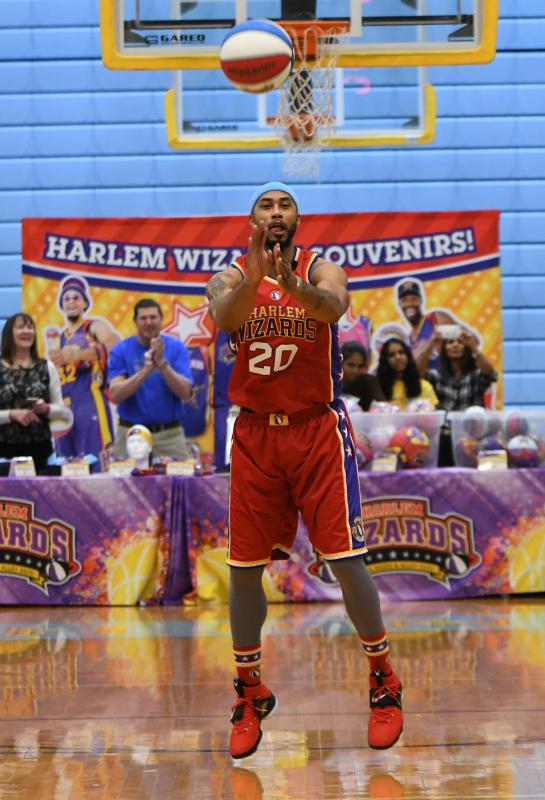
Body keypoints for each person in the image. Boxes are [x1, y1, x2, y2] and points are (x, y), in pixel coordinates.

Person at [205, 182, 403, 759]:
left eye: (284, 205)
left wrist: (292, 284)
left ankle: (383, 679)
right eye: (265, 206)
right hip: (255, 435)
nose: (275, 213)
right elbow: (225, 317)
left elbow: (334, 306)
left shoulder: (323, 268)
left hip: (317, 430)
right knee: (243, 571)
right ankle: (249, 689)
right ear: (251, 221)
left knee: (346, 562)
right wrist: (262, 276)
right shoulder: (230, 275)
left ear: (297, 219)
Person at [108, 299, 194, 459]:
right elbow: (115, 394)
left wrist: (161, 364)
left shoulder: (177, 348)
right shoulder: (120, 350)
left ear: (161, 319)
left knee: (180, 483)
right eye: (143, 318)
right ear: (135, 321)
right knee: (124, 484)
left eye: (153, 317)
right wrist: (146, 370)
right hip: (131, 435)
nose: (149, 322)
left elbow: (186, 393)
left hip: (169, 436)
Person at [49, 275, 119, 460]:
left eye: (76, 297)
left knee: (94, 461)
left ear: (84, 303)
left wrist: (80, 355)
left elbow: (114, 343)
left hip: (89, 401)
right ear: (62, 304)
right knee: (65, 463)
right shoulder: (58, 337)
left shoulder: (92, 326)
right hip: (63, 404)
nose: (71, 302)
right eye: (67, 298)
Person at [419, 328, 497, 465]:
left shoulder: (475, 375)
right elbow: (418, 376)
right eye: (450, 342)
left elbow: (491, 374)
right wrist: (431, 345)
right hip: (444, 438)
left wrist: (473, 346)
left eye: (460, 342)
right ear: (444, 348)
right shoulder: (436, 375)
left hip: (472, 437)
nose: (455, 345)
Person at [0, 313, 66, 472]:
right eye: (21, 327)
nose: (27, 331)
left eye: (30, 327)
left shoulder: (47, 367)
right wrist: (12, 414)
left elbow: (61, 409)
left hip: (40, 450)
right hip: (3, 451)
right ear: (9, 333)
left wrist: (46, 409)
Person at [395, 277, 477, 368]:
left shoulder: (435, 318)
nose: (409, 304)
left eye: (414, 299)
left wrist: (439, 345)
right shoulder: (410, 340)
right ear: (399, 305)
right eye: (404, 300)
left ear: (421, 301)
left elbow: (473, 340)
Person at [376, 337, 438, 409]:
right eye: (391, 355)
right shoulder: (378, 388)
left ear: (408, 356)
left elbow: (433, 414)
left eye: (401, 352)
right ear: (385, 361)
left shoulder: (424, 386)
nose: (398, 357)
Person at [341, 341, 384, 411]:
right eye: (351, 365)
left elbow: (382, 407)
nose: (355, 370)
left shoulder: (370, 382)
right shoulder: (330, 384)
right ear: (340, 363)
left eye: (360, 366)